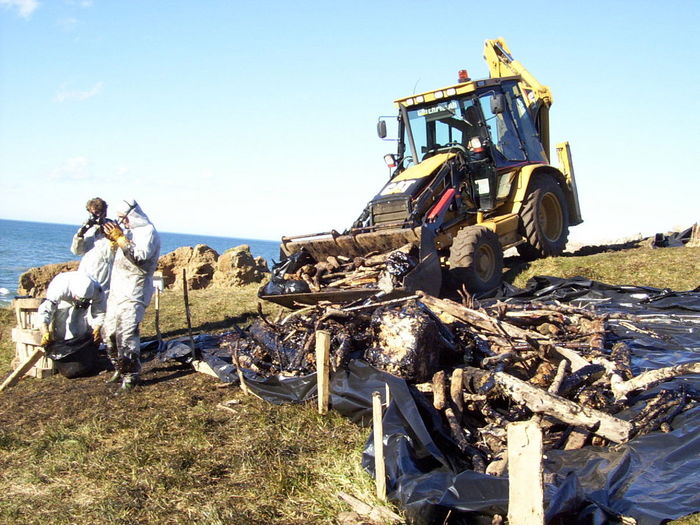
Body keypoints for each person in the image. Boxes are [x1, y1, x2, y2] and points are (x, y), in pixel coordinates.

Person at [102, 199, 161, 391]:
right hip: (117, 290)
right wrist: (114, 243)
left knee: (126, 335)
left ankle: (131, 375)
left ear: (132, 215)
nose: (122, 223)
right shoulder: (127, 232)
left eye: (124, 219)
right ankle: (119, 367)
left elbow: (139, 258)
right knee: (109, 334)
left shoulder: (148, 233)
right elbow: (115, 259)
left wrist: (121, 240)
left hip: (135, 289)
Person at [38, 270, 106, 377]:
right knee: (61, 328)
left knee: (79, 329)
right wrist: (45, 330)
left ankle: (78, 358)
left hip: (80, 302)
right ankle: (61, 362)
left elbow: (100, 311)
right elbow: (46, 310)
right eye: (81, 299)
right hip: (63, 301)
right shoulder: (60, 287)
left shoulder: (97, 289)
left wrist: (98, 328)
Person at [71, 197, 116, 294]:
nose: (97, 216)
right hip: (86, 269)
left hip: (104, 271)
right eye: (94, 213)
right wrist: (80, 235)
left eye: (99, 212)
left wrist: (111, 236)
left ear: (105, 212)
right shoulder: (88, 228)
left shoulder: (113, 227)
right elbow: (77, 251)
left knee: (100, 301)